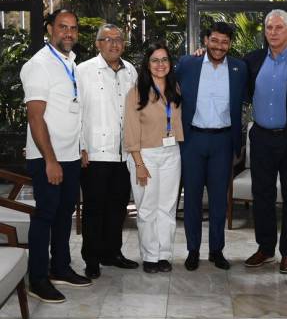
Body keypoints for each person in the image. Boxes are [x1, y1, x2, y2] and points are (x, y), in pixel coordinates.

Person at [20, 9, 91, 303]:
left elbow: (73, 110)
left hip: (71, 155)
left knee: (64, 215)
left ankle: (59, 267)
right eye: (63, 27)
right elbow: (36, 118)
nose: (69, 33)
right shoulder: (39, 65)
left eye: (73, 28)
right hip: (47, 157)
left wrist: (81, 147)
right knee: (46, 216)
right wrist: (50, 160)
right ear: (50, 29)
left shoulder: (71, 62)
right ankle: (37, 279)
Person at [176, 22, 247, 271]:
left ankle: (216, 250)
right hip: (193, 140)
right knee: (193, 199)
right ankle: (193, 250)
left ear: (229, 44)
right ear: (205, 40)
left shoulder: (240, 68)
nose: (219, 46)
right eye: (214, 41)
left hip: (222, 142)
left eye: (224, 42)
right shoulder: (188, 64)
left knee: (219, 201)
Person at [243, 9, 287, 273]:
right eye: (269, 28)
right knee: (262, 195)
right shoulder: (252, 60)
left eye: (279, 28)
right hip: (261, 137)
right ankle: (265, 248)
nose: (274, 32)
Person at [77, 24, 139, 279]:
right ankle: (92, 258)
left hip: (123, 154)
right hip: (94, 153)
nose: (114, 44)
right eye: (108, 39)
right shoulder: (83, 71)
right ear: (97, 43)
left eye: (118, 39)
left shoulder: (131, 71)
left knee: (118, 208)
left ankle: (112, 253)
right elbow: (77, 111)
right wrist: (81, 146)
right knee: (94, 209)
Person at [124, 41, 183, 274]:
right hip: (144, 155)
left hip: (171, 153)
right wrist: (138, 163)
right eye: (155, 60)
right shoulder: (136, 92)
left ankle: (164, 255)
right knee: (147, 207)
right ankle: (149, 256)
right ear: (147, 65)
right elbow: (130, 130)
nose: (160, 64)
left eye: (164, 59)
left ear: (170, 63)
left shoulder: (175, 89)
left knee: (167, 208)